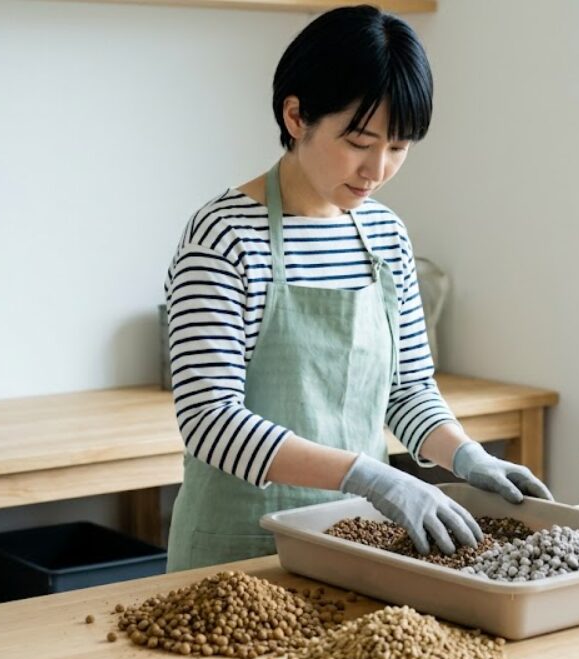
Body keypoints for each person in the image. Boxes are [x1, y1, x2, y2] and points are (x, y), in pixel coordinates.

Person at [163, 5, 553, 571]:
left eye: (398, 147)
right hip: (238, 555)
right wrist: (369, 475)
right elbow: (209, 420)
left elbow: (406, 389)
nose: (377, 169)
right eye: (359, 141)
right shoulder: (224, 236)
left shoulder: (385, 235)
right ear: (296, 116)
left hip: (358, 539)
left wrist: (465, 456)